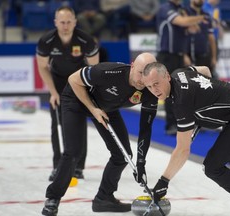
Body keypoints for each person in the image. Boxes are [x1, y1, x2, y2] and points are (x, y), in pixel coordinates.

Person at [142, 62, 230, 216]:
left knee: (213, 167)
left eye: (156, 83)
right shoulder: (179, 72)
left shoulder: (182, 101)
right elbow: (205, 70)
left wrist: (164, 181)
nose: (154, 90)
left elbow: (182, 150)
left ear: (166, 76)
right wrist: (207, 97)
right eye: (149, 86)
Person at [41, 52, 158, 216]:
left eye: (147, 75)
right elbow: (73, 79)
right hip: (76, 100)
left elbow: (145, 129)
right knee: (73, 152)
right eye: (139, 73)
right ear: (132, 66)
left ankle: (104, 198)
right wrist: (93, 109)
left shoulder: (151, 90)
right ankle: (53, 198)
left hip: (107, 107)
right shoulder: (109, 71)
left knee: (122, 155)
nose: (142, 80)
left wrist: (140, 162)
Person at [36, 6, 99, 181]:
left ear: (75, 22)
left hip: (78, 82)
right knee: (56, 125)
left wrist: (87, 90)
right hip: (56, 80)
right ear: (56, 22)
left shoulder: (85, 40)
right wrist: (53, 92)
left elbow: (93, 68)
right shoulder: (46, 40)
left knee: (78, 124)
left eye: (68, 22)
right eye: (62, 22)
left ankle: (78, 167)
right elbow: (42, 67)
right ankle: (58, 166)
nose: (65, 25)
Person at [156, 0, 207, 135]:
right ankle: (171, 124)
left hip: (180, 55)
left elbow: (194, 28)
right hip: (167, 55)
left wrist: (190, 19)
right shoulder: (165, 8)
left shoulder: (181, 10)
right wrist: (201, 17)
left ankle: (188, 122)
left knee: (186, 88)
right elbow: (182, 22)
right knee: (168, 89)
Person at [184, 0, 218, 78]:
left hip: (203, 55)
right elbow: (179, 36)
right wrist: (184, 55)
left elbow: (211, 38)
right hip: (189, 54)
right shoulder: (185, 13)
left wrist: (214, 57)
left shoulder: (206, 16)